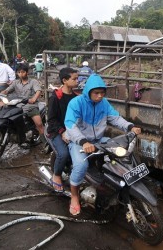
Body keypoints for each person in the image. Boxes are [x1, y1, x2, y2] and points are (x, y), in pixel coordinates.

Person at [65, 74, 140, 216]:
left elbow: (116, 118)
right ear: (88, 92)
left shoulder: (104, 103)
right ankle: (74, 196)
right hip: (78, 142)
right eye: (96, 93)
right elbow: (70, 125)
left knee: (122, 152)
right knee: (81, 166)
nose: (100, 96)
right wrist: (83, 141)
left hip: (98, 140)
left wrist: (130, 127)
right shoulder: (76, 103)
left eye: (102, 93)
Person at [45, 67, 79, 192]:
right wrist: (62, 131)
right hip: (56, 131)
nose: (77, 81)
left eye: (77, 78)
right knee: (64, 153)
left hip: (71, 130)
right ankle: (57, 175)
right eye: (74, 79)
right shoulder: (56, 97)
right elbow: (51, 120)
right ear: (64, 80)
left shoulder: (76, 97)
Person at [0, 64, 46, 144]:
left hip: (30, 105)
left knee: (39, 124)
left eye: (22, 72)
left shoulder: (33, 81)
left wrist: (33, 99)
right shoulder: (15, 82)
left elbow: (38, 91)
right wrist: (0, 94)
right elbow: (7, 90)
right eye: (19, 72)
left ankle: (45, 142)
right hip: (18, 105)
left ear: (27, 72)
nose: (20, 74)